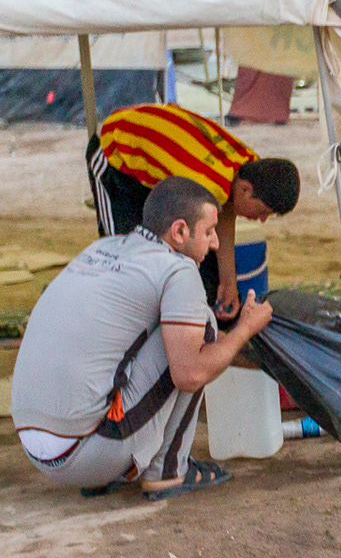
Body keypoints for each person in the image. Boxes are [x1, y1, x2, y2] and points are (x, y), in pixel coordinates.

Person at [10, 176, 274, 500]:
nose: (216, 243)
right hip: (86, 454)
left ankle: (102, 471)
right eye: (208, 232)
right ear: (179, 232)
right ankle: (168, 470)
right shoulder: (177, 269)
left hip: (35, 448)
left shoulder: (102, 248)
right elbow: (190, 373)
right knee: (201, 324)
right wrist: (246, 327)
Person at [90, 103, 301, 320]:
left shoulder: (247, 164)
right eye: (263, 211)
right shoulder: (203, 188)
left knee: (200, 258)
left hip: (159, 146)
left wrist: (228, 281)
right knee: (124, 251)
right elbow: (183, 246)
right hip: (116, 143)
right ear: (246, 189)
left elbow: (226, 209)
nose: (262, 220)